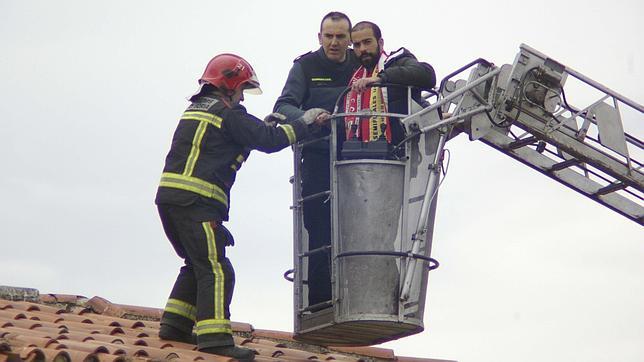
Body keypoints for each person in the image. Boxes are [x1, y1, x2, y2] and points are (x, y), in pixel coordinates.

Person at [155, 53, 328, 361]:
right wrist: (304, 123)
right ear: (230, 84)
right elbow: (270, 140)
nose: (242, 95)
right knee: (217, 270)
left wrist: (261, 127)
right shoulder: (228, 114)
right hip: (197, 204)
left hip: (171, 202)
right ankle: (215, 340)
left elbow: (228, 143)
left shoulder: (197, 110)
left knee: (197, 264)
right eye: (242, 88)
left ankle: (175, 325)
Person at [273, 11, 359, 307]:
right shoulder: (305, 66)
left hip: (357, 156)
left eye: (340, 36)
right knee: (319, 226)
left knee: (359, 225)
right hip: (317, 156)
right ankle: (320, 303)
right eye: (328, 36)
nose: (334, 42)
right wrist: (309, 118)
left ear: (350, 39)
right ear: (319, 37)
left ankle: (357, 297)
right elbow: (283, 105)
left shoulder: (364, 64)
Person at [343, 21, 436, 156]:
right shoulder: (353, 75)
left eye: (367, 42)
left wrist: (381, 78)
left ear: (380, 43)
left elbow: (427, 75)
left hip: (401, 155)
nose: (362, 48)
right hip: (359, 157)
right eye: (357, 45)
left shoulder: (396, 60)